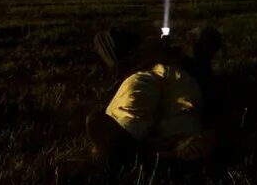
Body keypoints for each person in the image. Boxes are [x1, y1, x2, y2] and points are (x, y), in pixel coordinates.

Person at [85, 25, 223, 162]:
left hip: (175, 76)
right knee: (138, 89)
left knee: (175, 100)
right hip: (155, 75)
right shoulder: (137, 63)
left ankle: (165, 147)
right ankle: (127, 140)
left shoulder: (186, 66)